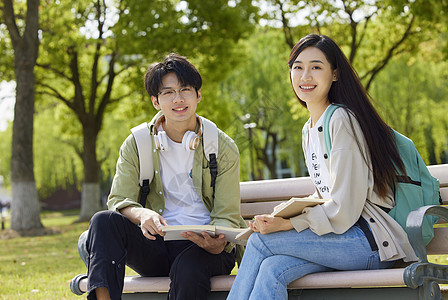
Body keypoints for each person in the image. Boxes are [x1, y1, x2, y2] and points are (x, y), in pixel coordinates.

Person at [227, 34, 417, 300]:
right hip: (343, 240)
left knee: (260, 242)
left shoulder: (341, 119)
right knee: (272, 268)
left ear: (335, 74)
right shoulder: (309, 128)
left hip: (370, 242)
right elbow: (327, 193)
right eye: (298, 67)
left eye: (316, 67)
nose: (306, 76)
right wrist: (283, 215)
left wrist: (288, 225)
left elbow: (344, 208)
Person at [79, 53, 244, 300]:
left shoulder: (221, 146)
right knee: (104, 220)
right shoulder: (137, 143)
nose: (178, 99)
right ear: (156, 101)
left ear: (198, 95)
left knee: (187, 267)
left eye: (185, 90)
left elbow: (227, 216)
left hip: (207, 250)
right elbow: (119, 200)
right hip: (157, 246)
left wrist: (218, 242)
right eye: (167, 93)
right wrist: (142, 214)